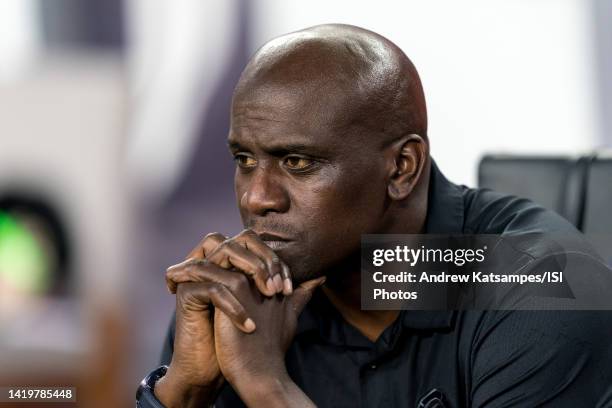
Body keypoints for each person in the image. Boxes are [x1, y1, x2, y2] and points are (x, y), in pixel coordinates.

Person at [136, 24, 612, 407]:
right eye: (245, 160)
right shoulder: (238, 294)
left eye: (298, 163)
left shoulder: (539, 286)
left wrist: (267, 388)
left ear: (402, 168)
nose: (257, 198)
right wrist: (184, 391)